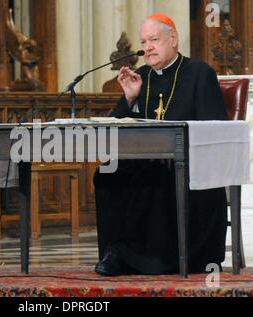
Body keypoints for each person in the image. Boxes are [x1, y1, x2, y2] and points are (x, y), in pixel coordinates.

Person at [94, 13, 229, 276]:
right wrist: (131, 98)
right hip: (146, 161)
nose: (148, 47)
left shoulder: (200, 73)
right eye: (144, 41)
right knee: (107, 173)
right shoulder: (140, 76)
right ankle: (116, 252)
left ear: (173, 38)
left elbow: (215, 131)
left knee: (160, 173)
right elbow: (116, 126)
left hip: (189, 166)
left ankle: (157, 258)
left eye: (154, 39)